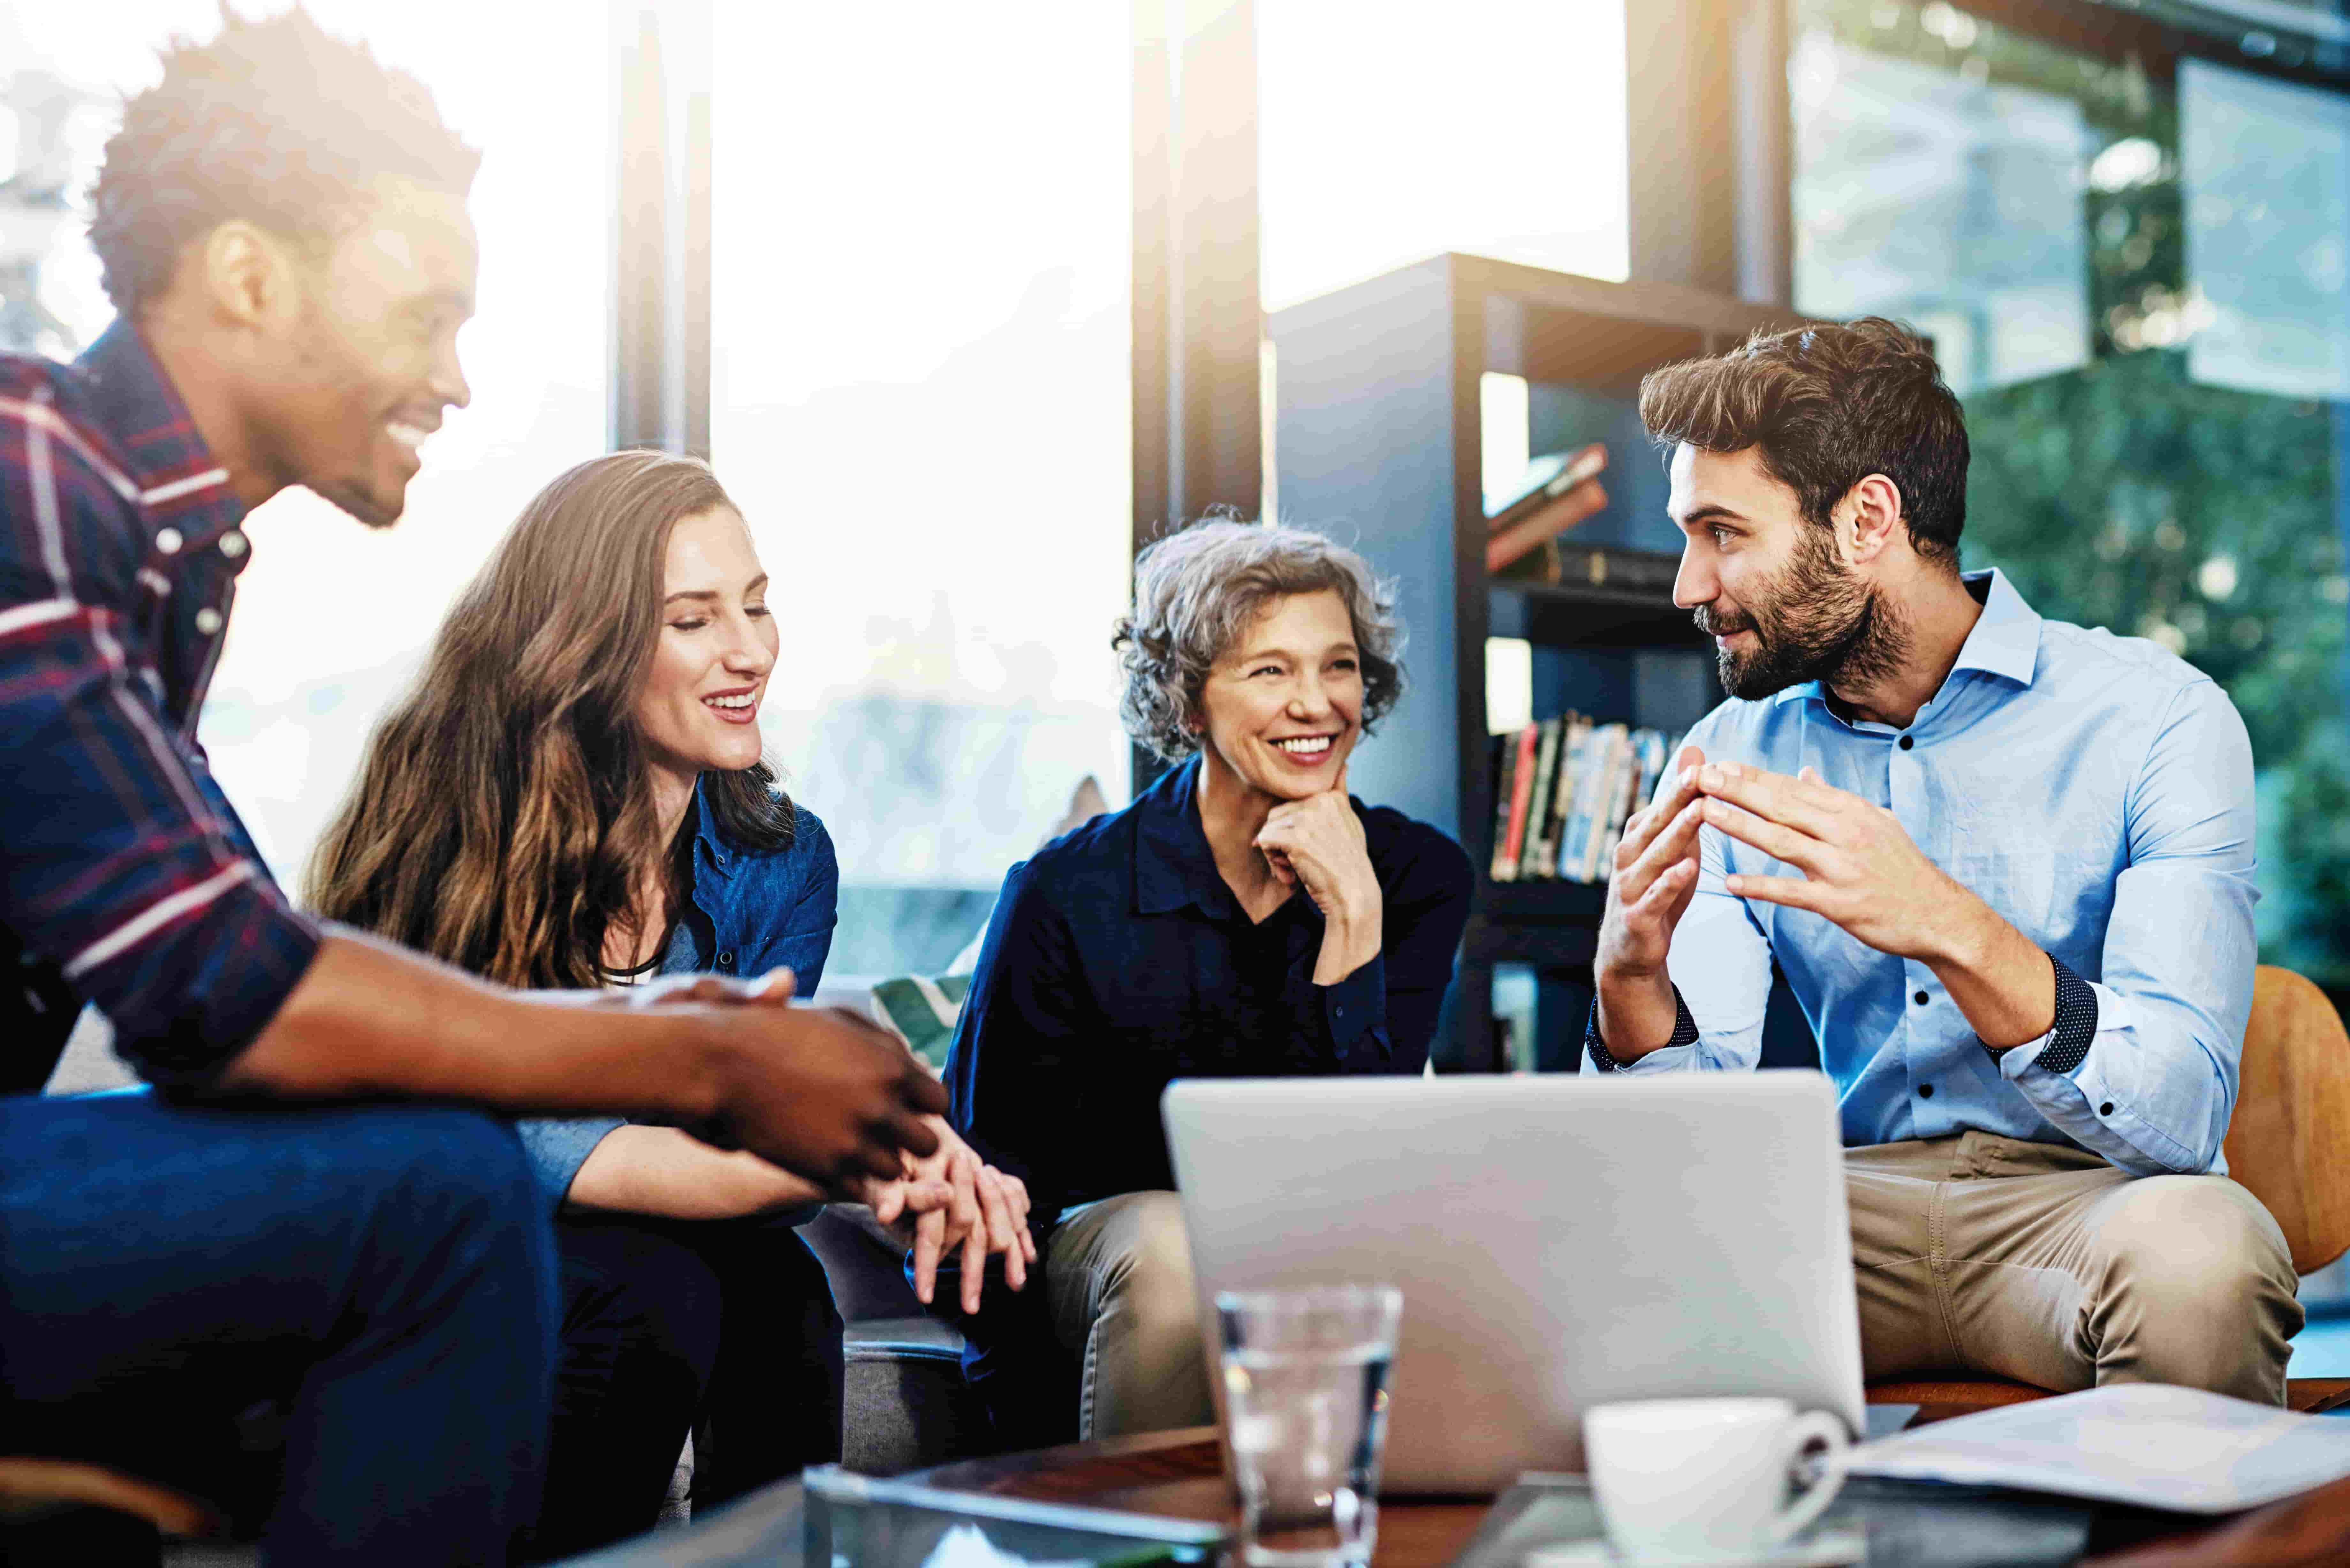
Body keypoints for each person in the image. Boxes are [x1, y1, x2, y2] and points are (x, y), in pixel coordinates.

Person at [0, 15, 940, 1563]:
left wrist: (672, 1038)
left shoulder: (164, 552)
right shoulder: (39, 465)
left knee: (576, 1229)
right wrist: (687, 1054)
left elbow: (217, 987)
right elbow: (224, 993)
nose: (453, 377)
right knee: (437, 1194)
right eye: (424, 315)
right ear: (248, 277)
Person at [307, 450, 1035, 1556]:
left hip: (684, 1243)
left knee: (776, 1286)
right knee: (658, 1291)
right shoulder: (449, 829)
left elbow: (763, 1136)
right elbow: (560, 1154)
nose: (749, 651)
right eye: (693, 620)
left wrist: (891, 1147)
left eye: (756, 605)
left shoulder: (783, 859)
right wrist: (884, 1157)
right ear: (587, 642)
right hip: (451, 1226)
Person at [1591, 318, 2302, 1402]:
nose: (1691, 587)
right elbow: (1684, 1155)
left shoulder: (2154, 718)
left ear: (1867, 517)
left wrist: (1946, 922)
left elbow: (2181, 1116)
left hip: (2082, 1208)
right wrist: (1629, 987)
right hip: (1841, 1214)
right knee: (1604, 1263)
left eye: (1723, 534)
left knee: (2202, 1257)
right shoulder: (1728, 757)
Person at [947, 519, 1473, 1442]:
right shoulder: (1069, 891)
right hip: (1110, 1261)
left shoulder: (1418, 875)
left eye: (1338, 667)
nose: (1316, 704)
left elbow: (1369, 1169)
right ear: (1190, 703)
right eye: (1269, 671)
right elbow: (994, 1182)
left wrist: (1352, 921)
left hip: (1325, 1250)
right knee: (1169, 1239)